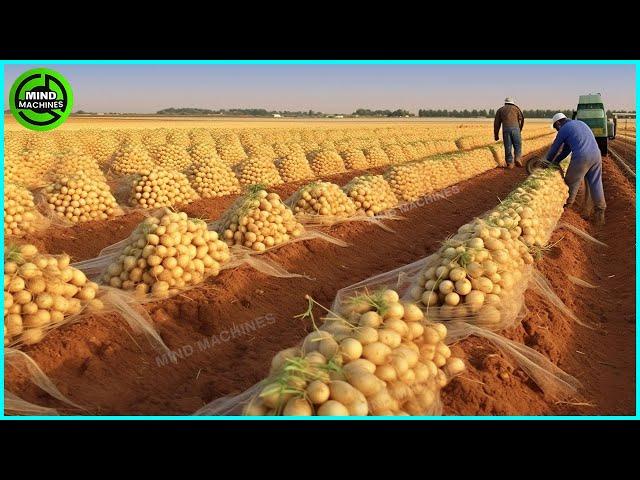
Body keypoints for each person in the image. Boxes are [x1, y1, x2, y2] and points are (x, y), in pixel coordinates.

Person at [545, 112, 606, 226]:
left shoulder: (564, 129)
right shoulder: (579, 124)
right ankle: (599, 214)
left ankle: (568, 207)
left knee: (570, 181)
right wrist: (556, 162)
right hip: (596, 156)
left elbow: (555, 147)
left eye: (556, 127)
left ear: (558, 123)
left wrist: (546, 161)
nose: (557, 130)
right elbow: (566, 151)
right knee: (595, 183)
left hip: (583, 157)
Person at [494, 97, 525, 169]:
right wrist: (519, 129)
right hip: (516, 129)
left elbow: (496, 123)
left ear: (505, 103)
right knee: (517, 145)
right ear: (513, 103)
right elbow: (522, 119)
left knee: (508, 146)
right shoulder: (517, 109)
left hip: (506, 129)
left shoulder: (500, 110)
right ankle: (517, 158)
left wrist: (496, 135)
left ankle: (509, 163)